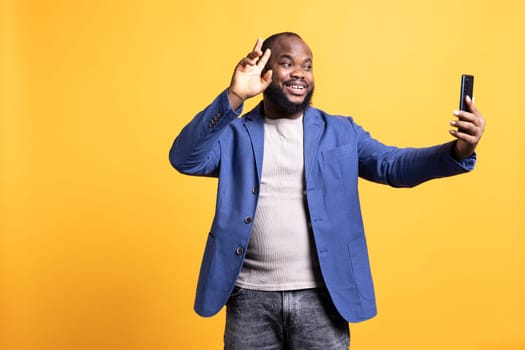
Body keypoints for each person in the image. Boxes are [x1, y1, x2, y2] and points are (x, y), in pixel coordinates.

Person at [169, 32, 485, 350]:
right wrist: (234, 97)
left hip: (322, 299)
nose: (299, 73)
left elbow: (394, 165)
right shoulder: (234, 133)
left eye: (307, 66)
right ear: (264, 71)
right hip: (249, 298)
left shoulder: (341, 131)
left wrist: (458, 151)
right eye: (287, 63)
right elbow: (184, 159)